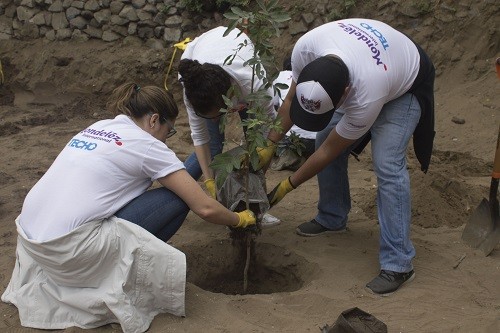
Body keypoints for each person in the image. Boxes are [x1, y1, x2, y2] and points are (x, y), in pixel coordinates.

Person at [1, 82, 256, 332]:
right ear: (154, 120)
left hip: (33, 244)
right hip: (70, 253)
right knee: (181, 200)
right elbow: (204, 209)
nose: (167, 139)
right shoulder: (148, 146)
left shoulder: (100, 127)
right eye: (170, 131)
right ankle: (126, 274)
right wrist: (239, 219)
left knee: (174, 183)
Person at [264, 19, 435, 296]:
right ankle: (332, 216)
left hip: (406, 81)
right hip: (374, 62)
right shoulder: (305, 49)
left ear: (345, 94)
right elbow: (289, 102)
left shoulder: (366, 94)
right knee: (322, 135)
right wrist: (268, 145)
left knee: (387, 163)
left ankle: (399, 264)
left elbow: (331, 151)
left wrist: (287, 186)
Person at [178, 26, 280, 227]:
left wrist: (263, 155)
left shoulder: (254, 84)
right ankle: (180, 192)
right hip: (202, 54)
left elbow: (271, 125)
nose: (215, 121)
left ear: (230, 98)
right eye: (209, 117)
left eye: (218, 116)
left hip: (238, 69)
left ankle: (255, 208)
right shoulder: (193, 91)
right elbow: (200, 138)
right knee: (214, 146)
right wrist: (209, 182)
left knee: (254, 144)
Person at [271, 57, 316, 171]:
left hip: (293, 139)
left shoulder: (280, 76)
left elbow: (274, 104)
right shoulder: (314, 77)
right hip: (317, 140)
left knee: (270, 133)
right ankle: (308, 157)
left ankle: (289, 156)